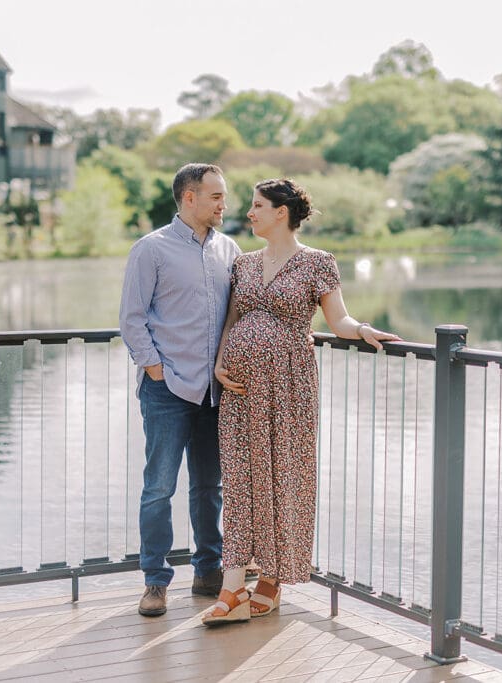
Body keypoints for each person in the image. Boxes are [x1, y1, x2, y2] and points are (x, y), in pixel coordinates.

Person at [202, 178, 400, 625]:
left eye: (257, 206)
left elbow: (339, 318)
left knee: (285, 477)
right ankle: (232, 586)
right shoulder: (244, 264)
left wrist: (363, 329)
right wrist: (219, 364)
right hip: (241, 390)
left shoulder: (317, 263)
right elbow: (233, 320)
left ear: (282, 213)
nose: (248, 213)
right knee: (239, 481)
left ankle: (270, 584)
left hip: (290, 388)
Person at [119, 163, 241, 617]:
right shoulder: (150, 250)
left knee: (210, 487)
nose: (223, 205)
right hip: (167, 389)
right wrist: (155, 370)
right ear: (189, 198)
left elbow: (241, 313)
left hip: (215, 391)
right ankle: (155, 582)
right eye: (215, 196)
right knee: (159, 489)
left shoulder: (229, 249)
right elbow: (132, 317)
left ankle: (208, 571)